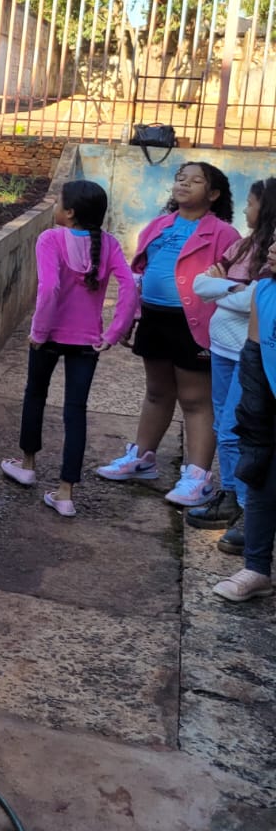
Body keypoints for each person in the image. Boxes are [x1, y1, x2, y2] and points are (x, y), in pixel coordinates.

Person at [97, 162, 241, 506]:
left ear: (214, 194)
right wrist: (132, 315)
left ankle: (198, 477)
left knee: (195, 400)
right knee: (156, 392)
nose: (184, 184)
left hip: (194, 324)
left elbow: (232, 283)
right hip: (155, 318)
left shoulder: (224, 234)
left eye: (195, 181)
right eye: (180, 179)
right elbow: (139, 272)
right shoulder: (158, 226)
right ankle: (143, 458)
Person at [0, 181, 138, 516]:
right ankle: (65, 494)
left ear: (70, 212)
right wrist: (115, 331)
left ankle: (28, 464)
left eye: (58, 202)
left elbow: (49, 289)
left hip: (49, 338)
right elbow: (130, 286)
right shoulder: (109, 244)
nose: (54, 206)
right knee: (75, 411)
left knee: (35, 394)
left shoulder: (50, 239)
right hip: (88, 340)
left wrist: (39, 331)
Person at [188, 178, 276, 552]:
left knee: (231, 429)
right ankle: (229, 494)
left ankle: (245, 508)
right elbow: (199, 285)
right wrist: (235, 292)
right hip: (222, 346)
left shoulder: (269, 251)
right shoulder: (242, 245)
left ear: (265, 207)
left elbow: (258, 300)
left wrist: (229, 293)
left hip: (248, 352)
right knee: (221, 418)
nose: (244, 210)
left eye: (251, 203)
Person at [212, 238, 276, 603]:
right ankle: (256, 569)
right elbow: (253, 352)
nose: (272, 248)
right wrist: (254, 415)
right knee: (261, 477)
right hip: (267, 402)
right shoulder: (263, 290)